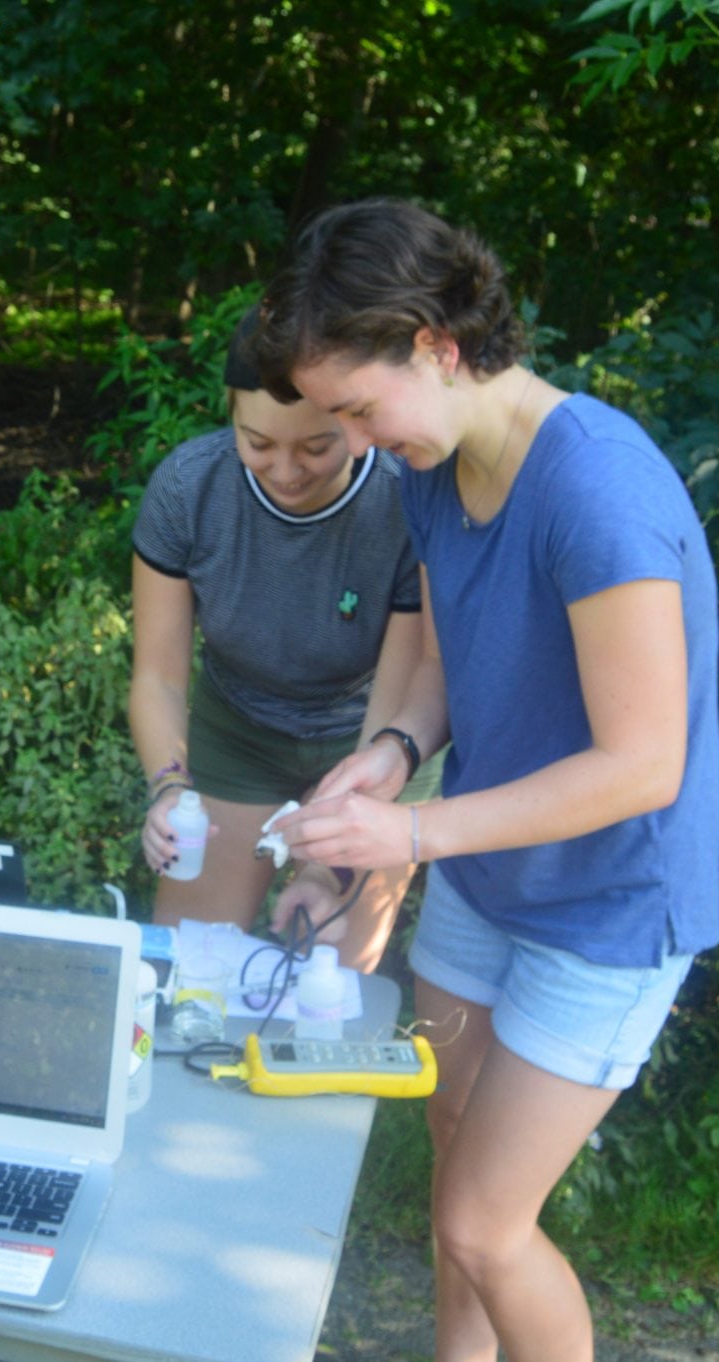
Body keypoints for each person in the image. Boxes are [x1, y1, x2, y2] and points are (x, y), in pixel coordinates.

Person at [257, 199, 719, 1362]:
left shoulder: (595, 492)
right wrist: (389, 759)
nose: (353, 441)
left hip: (606, 905)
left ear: (437, 344)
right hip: (485, 872)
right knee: (452, 1137)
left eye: (357, 409)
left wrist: (409, 841)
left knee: (483, 1224)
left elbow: (641, 762)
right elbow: (433, 655)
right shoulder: (434, 463)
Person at [128, 307, 430, 973]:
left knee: (329, 976)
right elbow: (158, 676)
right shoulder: (188, 490)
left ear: (356, 422)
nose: (286, 472)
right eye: (258, 443)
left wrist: (326, 868)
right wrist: (170, 788)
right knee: (190, 971)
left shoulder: (405, 502)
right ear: (229, 412)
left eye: (316, 448)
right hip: (238, 733)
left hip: (373, 740)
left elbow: (402, 692)